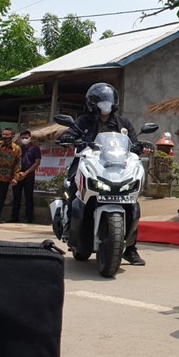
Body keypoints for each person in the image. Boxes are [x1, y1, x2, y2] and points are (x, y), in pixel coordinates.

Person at [60, 83, 150, 266]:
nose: (105, 104)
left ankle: (130, 248)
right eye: (101, 100)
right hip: (89, 165)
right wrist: (68, 138)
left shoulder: (123, 124)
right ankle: (69, 228)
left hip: (117, 169)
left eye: (108, 100)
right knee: (74, 190)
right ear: (92, 102)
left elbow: (133, 142)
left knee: (131, 201)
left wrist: (143, 145)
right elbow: (69, 133)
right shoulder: (83, 121)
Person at [0, 128, 21, 222]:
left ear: (13, 136)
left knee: (0, 199)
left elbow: (17, 164)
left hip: (5, 178)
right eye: (4, 136)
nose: (6, 138)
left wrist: (15, 178)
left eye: (8, 136)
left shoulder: (16, 149)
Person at [11, 130, 41, 223]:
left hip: (29, 175)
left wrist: (26, 173)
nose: (24, 139)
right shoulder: (18, 148)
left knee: (28, 196)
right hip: (17, 174)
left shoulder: (35, 148)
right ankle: (14, 218)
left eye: (26, 137)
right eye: (23, 137)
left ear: (30, 137)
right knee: (16, 197)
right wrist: (17, 174)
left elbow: (37, 162)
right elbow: (14, 161)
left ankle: (29, 218)